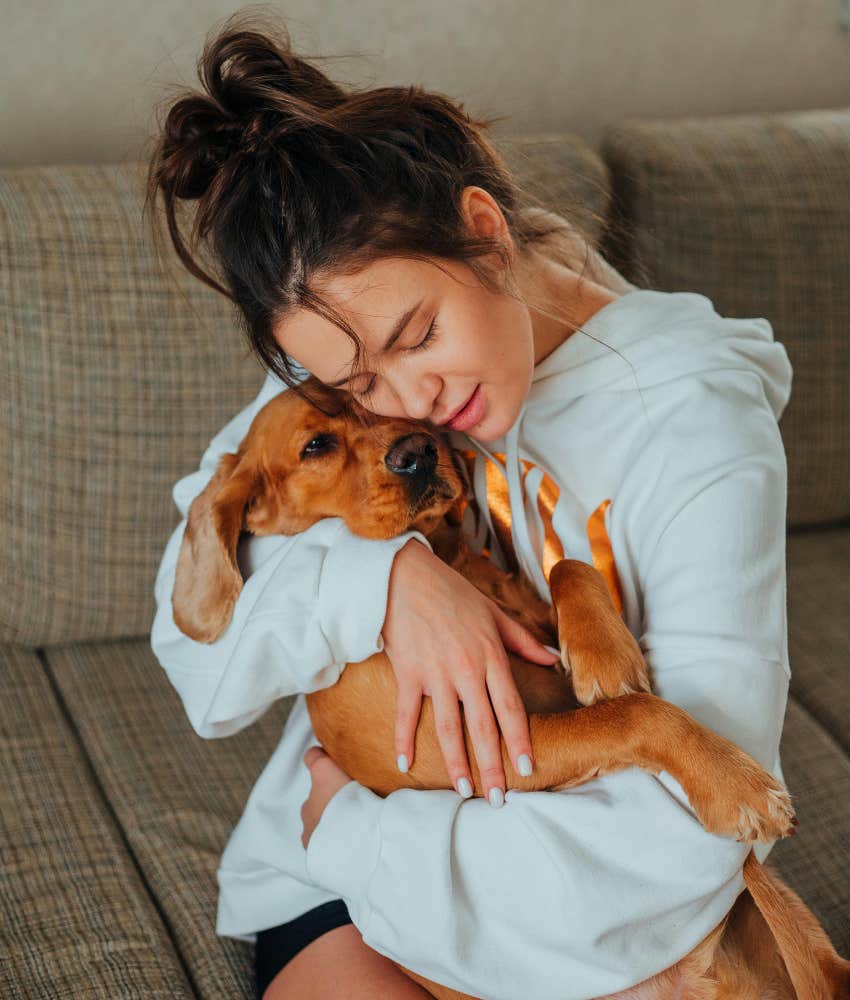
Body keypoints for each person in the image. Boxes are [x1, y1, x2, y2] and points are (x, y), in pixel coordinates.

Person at [146, 12, 793, 1000]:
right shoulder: (357, 371)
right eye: (355, 381)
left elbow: (685, 833)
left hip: (486, 875)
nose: (407, 405)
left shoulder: (694, 424)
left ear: (485, 233)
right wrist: (387, 578)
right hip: (330, 890)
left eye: (419, 333)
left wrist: (355, 831)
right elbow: (198, 652)